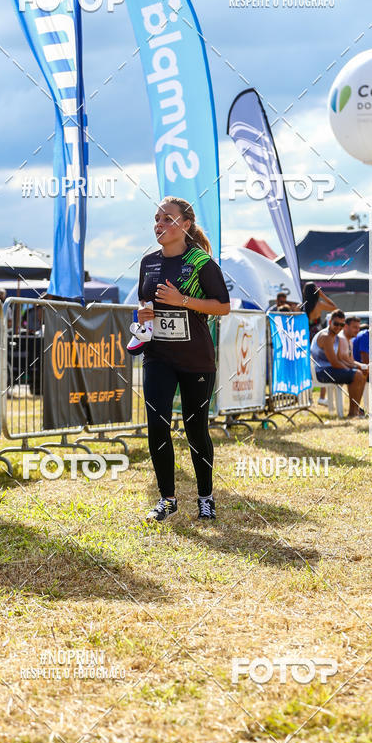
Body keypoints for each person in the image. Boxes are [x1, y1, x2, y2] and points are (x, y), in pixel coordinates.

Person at [137, 197, 230, 522]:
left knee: (195, 428)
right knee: (157, 425)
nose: (159, 225)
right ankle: (167, 499)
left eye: (167, 219)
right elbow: (144, 301)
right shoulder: (148, 262)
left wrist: (183, 300)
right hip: (158, 355)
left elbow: (222, 306)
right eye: (157, 219)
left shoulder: (201, 262)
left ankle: (205, 497)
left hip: (196, 359)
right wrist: (144, 313)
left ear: (185, 225)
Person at [310, 309, 367, 417]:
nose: (339, 327)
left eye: (342, 324)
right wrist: (352, 370)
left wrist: (356, 367)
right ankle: (353, 413)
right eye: (336, 324)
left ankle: (356, 411)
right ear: (330, 322)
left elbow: (341, 359)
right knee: (357, 374)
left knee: (361, 373)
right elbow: (335, 362)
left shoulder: (335, 336)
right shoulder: (326, 336)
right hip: (322, 372)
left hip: (330, 370)